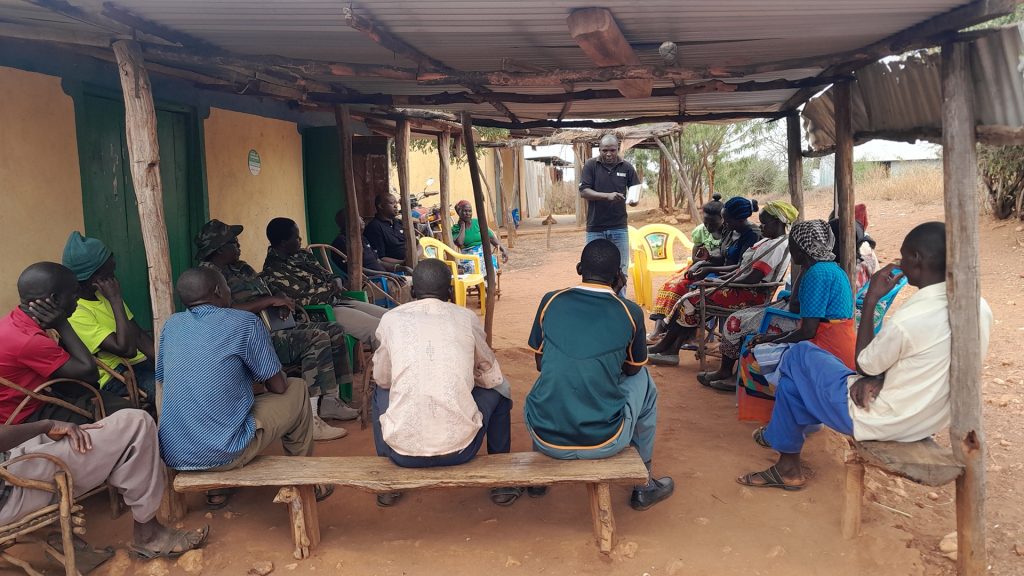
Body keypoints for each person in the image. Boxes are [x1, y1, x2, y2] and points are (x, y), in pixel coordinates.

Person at [738, 222, 993, 490]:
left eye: (903, 255)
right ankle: (789, 460)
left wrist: (871, 299)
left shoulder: (911, 319)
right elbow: (930, 360)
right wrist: (883, 377)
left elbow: (865, 364)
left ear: (917, 258)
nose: (900, 262)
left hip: (881, 418)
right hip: (927, 418)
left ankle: (789, 453)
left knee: (798, 354)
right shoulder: (978, 306)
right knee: (794, 378)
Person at [157, 268, 332, 509]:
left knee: (216, 406)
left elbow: (169, 377)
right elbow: (278, 386)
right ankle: (302, 479)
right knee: (297, 387)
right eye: (228, 287)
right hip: (224, 451)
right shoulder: (245, 322)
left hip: (176, 453)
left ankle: (216, 492)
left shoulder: (171, 326)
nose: (231, 292)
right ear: (218, 291)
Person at [524, 239, 674, 511]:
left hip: (544, 436)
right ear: (619, 276)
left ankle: (538, 480)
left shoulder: (552, 300)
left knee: (553, 375)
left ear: (579, 267)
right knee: (645, 382)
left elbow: (539, 362)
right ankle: (644, 484)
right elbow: (632, 368)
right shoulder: (629, 311)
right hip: (604, 440)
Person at [370, 259, 518, 507]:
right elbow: (490, 370)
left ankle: (387, 484)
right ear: (450, 292)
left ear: (412, 292)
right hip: (460, 450)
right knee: (501, 391)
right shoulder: (465, 317)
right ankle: (501, 484)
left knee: (381, 391)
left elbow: (382, 378)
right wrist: (466, 381)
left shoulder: (391, 319)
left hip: (402, 454)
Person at [195, 219, 355, 441]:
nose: (238, 246)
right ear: (220, 248)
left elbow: (267, 293)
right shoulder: (206, 278)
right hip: (247, 340)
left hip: (272, 326)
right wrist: (267, 302)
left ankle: (329, 401)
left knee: (334, 330)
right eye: (234, 242)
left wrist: (280, 303)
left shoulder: (241, 267)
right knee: (315, 339)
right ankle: (311, 419)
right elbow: (223, 312)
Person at [0, 409, 209, 559]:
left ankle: (56, 533)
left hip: (8, 465)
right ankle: (149, 534)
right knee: (136, 423)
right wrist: (47, 424)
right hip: (12, 488)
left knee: (58, 435)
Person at [704, 219, 856, 392]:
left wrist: (771, 339)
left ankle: (744, 383)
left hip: (827, 347)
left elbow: (807, 330)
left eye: (792, 244)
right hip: (831, 340)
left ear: (801, 247)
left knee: (759, 350)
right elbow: (800, 309)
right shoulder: (826, 268)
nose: (790, 250)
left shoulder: (817, 273)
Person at [649, 201, 796, 366]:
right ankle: (669, 348)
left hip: (751, 293)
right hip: (741, 287)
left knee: (690, 301)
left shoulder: (776, 245)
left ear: (777, 222)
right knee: (691, 298)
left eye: (763, 223)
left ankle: (669, 349)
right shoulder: (768, 241)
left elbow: (752, 278)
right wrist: (718, 278)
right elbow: (743, 269)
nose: (760, 227)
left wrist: (721, 280)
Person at [0, 263, 132, 425]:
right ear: (54, 299)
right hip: (25, 416)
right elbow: (90, 374)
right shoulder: (29, 340)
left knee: (100, 399)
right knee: (129, 414)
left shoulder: (16, 321)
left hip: (35, 397)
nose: (78, 298)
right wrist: (62, 324)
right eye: (74, 293)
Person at [262, 217, 388, 349]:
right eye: (296, 237)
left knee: (390, 318)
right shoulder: (274, 270)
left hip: (338, 300)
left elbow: (327, 274)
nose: (300, 240)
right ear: (283, 243)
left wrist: (337, 279)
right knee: (379, 329)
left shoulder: (302, 256)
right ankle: (397, 366)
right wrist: (333, 287)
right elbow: (304, 298)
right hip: (320, 313)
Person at [61, 232, 156, 398]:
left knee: (184, 377)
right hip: (116, 375)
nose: (115, 279)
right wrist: (116, 300)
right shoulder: (76, 313)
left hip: (139, 364)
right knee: (171, 392)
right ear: (93, 279)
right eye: (110, 274)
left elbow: (139, 336)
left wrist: (167, 364)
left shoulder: (104, 295)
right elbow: (127, 350)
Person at [649, 194, 726, 329]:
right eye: (705, 222)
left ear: (723, 219)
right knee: (669, 286)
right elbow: (695, 257)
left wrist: (706, 264)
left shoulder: (728, 233)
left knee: (682, 289)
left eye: (712, 223)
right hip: (697, 267)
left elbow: (726, 262)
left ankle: (679, 330)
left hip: (715, 272)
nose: (708, 226)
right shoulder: (700, 231)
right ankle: (660, 329)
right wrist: (700, 264)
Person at [579, 134, 640, 295]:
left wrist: (634, 201)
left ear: (617, 149)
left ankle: (620, 305)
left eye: (612, 150)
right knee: (593, 270)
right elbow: (584, 191)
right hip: (595, 228)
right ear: (599, 149)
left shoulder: (627, 167)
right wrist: (607, 196)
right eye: (604, 150)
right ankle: (597, 303)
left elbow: (635, 191)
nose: (608, 154)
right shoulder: (591, 166)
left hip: (619, 227)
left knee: (621, 270)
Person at [330, 210, 412, 304]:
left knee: (415, 281)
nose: (362, 219)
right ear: (348, 222)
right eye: (358, 217)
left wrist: (401, 267)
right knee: (409, 286)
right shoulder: (342, 242)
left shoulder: (363, 238)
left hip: (384, 279)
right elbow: (356, 271)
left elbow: (379, 262)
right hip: (368, 284)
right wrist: (386, 274)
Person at [452, 199, 509, 269]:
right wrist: (463, 225)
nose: (468, 213)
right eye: (465, 211)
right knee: (474, 267)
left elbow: (491, 237)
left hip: (483, 254)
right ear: (459, 212)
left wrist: (503, 249)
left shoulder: (477, 223)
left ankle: (489, 280)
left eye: (470, 211)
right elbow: (460, 243)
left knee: (491, 264)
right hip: (469, 258)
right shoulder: (456, 228)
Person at [363, 193, 414, 269]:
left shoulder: (399, 222)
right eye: (392, 203)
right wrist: (403, 263)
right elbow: (380, 258)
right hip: (398, 268)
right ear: (381, 206)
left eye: (396, 203)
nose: (396, 206)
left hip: (414, 263)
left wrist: (414, 257)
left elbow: (419, 245)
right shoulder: (374, 227)